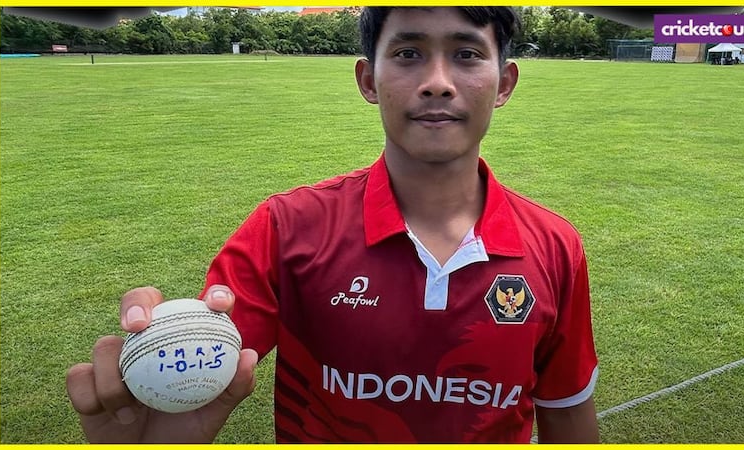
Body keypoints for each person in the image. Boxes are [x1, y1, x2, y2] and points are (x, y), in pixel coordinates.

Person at [66, 6, 599, 443]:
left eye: (466, 54)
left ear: (503, 83)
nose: (437, 83)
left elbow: (567, 410)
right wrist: (157, 428)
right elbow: (207, 359)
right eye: (408, 53)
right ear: (368, 79)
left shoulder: (554, 246)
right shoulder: (286, 228)